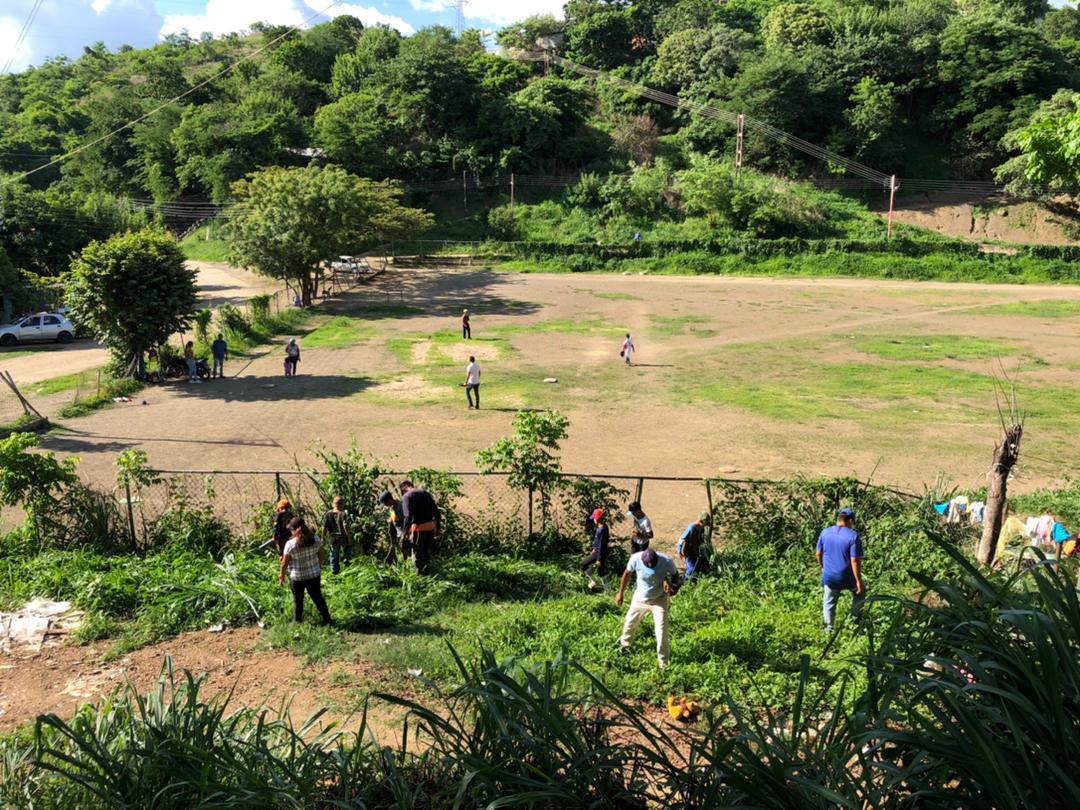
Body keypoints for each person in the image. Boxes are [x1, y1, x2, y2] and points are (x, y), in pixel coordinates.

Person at [616, 547, 679, 669]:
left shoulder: (666, 561)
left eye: (652, 564)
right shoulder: (635, 559)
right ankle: (624, 648)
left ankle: (664, 663)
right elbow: (627, 574)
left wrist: (672, 587)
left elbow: (675, 576)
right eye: (647, 565)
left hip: (659, 600)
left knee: (661, 633)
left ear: (657, 559)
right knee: (629, 623)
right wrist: (621, 593)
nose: (650, 566)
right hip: (640, 598)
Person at [816, 507, 865, 634]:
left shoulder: (825, 532)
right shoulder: (853, 536)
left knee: (829, 602)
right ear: (850, 520)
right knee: (860, 593)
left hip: (830, 576)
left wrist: (823, 567)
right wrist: (859, 581)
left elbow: (818, 553)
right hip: (847, 577)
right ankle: (853, 621)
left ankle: (828, 629)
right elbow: (855, 560)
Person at [278, 516, 332, 625]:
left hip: (297, 578)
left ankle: (297, 621)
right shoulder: (316, 539)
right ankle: (328, 620)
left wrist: (282, 576)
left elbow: (284, 564)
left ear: (294, 530)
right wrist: (317, 566)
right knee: (318, 598)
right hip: (314, 575)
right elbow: (322, 555)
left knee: (298, 601)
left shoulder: (291, 545)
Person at [400, 480, 441, 574]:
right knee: (426, 554)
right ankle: (428, 576)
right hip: (430, 528)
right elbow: (436, 511)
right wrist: (438, 527)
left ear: (403, 490)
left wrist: (404, 533)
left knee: (417, 556)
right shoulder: (425, 493)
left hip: (418, 530)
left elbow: (408, 516)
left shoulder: (407, 496)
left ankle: (419, 580)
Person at [580, 509, 610, 591]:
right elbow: (598, 541)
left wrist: (599, 559)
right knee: (601, 571)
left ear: (597, 518)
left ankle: (596, 583)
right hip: (598, 552)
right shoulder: (603, 526)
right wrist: (594, 548)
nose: (593, 520)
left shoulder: (601, 530)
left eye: (594, 518)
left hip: (600, 553)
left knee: (584, 564)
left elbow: (602, 545)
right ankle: (606, 589)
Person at [321, 495, 353, 575]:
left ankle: (335, 573)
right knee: (347, 549)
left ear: (333, 504)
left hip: (333, 538)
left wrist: (323, 538)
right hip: (343, 537)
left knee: (334, 556)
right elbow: (345, 526)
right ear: (342, 504)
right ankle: (347, 563)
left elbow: (324, 527)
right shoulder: (343, 514)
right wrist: (349, 538)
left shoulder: (328, 514)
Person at [678, 512, 710, 582]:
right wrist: (682, 555)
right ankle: (685, 582)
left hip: (695, 550)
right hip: (688, 552)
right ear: (701, 521)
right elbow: (683, 542)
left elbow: (700, 540)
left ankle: (695, 580)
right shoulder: (691, 528)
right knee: (691, 568)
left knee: (701, 565)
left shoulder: (701, 528)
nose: (705, 526)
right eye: (704, 524)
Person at [379, 490, 406, 563]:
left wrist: (404, 535)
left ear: (390, 500)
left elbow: (405, 521)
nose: (385, 505)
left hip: (403, 536)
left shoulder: (400, 507)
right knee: (402, 553)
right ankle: (404, 564)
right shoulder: (392, 508)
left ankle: (407, 566)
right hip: (398, 535)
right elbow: (395, 518)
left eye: (385, 503)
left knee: (406, 554)